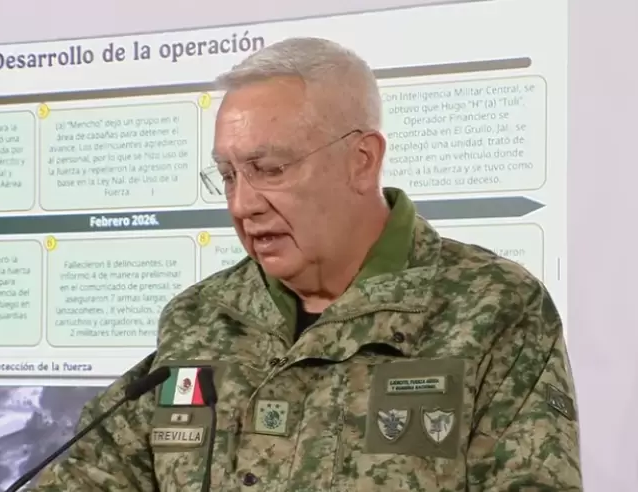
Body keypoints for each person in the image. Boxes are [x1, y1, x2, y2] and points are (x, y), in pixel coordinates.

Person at [32, 37, 582, 491]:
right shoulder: (201, 318)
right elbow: (90, 475)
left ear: (361, 161)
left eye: (269, 169)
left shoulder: (491, 307)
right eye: (228, 176)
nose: (242, 204)